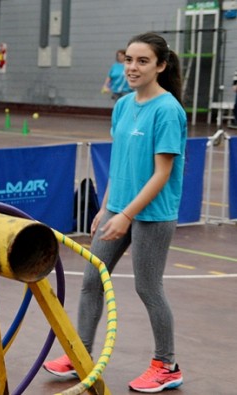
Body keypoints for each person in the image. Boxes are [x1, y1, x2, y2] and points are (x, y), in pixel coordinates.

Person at [43, 32, 187, 393]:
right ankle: (81, 355)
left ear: (161, 66)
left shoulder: (168, 111)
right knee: (92, 281)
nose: (132, 68)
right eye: (129, 60)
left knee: (148, 287)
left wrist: (127, 215)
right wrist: (108, 207)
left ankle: (167, 366)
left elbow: (161, 174)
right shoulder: (123, 105)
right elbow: (120, 161)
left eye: (142, 61)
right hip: (117, 209)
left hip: (152, 215)